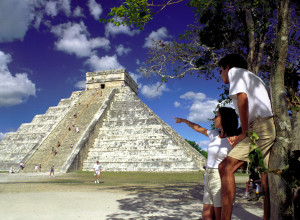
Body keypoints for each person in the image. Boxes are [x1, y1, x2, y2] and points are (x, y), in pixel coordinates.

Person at [217, 54, 276, 220]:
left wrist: (243, 132)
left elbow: (242, 99)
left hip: (259, 127)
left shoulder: (236, 72)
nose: (221, 74)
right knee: (266, 177)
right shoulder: (254, 78)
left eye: (221, 70)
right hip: (266, 126)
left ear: (227, 66)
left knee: (225, 167)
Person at [174, 107, 240, 220]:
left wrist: (234, 147)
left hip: (219, 178)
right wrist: (184, 121)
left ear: (224, 118)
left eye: (216, 116)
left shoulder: (234, 138)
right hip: (208, 176)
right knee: (206, 216)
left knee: (219, 215)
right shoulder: (214, 134)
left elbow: (239, 163)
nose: (214, 118)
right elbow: (198, 128)